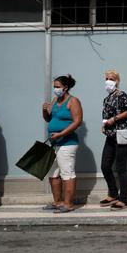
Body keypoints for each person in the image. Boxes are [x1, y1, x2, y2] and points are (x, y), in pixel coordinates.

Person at [42, 74, 83, 213]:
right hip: (53, 143)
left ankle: (68, 203)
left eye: (57, 87)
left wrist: (61, 134)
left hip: (67, 143)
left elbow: (77, 122)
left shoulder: (73, 101)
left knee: (67, 172)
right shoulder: (54, 101)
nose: (55, 89)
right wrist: (44, 111)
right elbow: (49, 119)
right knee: (53, 173)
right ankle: (58, 202)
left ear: (65, 88)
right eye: (54, 87)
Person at [99, 70, 127, 210]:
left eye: (111, 78)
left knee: (121, 168)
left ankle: (123, 199)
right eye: (107, 78)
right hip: (110, 135)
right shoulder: (107, 98)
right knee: (105, 166)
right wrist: (104, 125)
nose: (108, 81)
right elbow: (107, 116)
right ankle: (113, 193)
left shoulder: (121, 95)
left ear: (117, 81)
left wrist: (114, 119)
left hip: (121, 135)